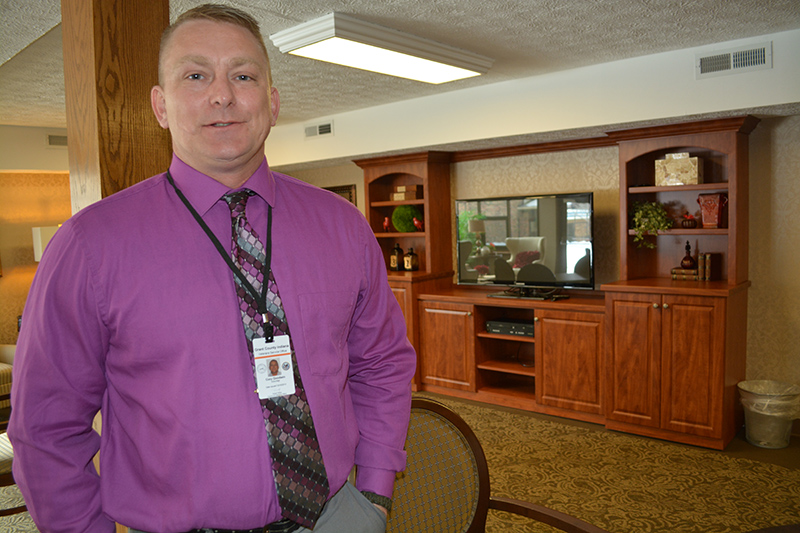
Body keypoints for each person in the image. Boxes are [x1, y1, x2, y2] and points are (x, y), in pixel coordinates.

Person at [9, 4, 415, 533]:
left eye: (243, 75)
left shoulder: (344, 226)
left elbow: (381, 362)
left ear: (271, 103)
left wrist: (375, 493)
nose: (222, 94)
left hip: (337, 517)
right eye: (195, 75)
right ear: (160, 105)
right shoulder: (89, 246)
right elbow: (46, 428)